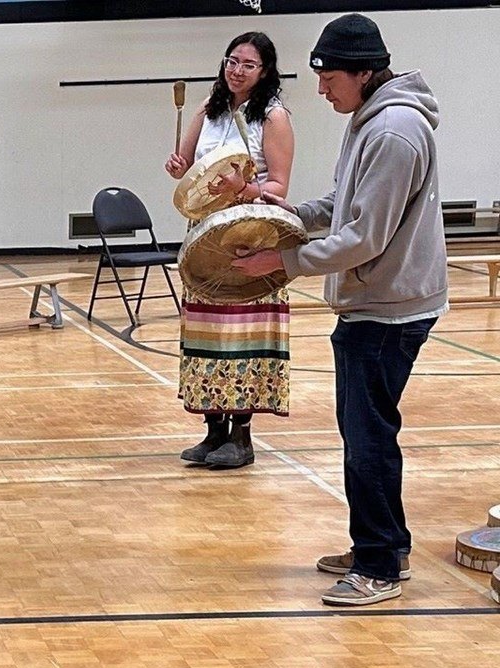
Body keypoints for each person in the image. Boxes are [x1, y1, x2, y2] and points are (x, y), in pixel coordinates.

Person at [233, 13, 446, 606]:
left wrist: (281, 263)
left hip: (388, 308)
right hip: (380, 301)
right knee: (368, 431)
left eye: (329, 78)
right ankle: (387, 543)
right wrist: (282, 217)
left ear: (362, 72)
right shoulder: (370, 119)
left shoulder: (393, 132)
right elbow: (342, 203)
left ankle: (378, 565)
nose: (321, 88)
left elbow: (365, 238)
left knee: (367, 438)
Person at [165, 31, 295, 469]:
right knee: (206, 334)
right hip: (205, 232)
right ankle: (212, 431)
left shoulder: (274, 117)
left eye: (248, 65)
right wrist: (178, 167)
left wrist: (245, 189)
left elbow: (279, 186)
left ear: (265, 72)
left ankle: (241, 437)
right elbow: (187, 171)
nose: (236, 71)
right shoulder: (207, 108)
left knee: (242, 335)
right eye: (232, 61)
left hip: (249, 232)